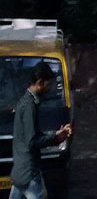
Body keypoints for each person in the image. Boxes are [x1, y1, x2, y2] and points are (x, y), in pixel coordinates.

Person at [10, 62, 72, 199]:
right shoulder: (29, 106)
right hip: (29, 172)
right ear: (40, 83)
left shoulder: (24, 101)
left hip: (21, 170)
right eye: (48, 85)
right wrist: (55, 139)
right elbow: (32, 141)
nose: (49, 89)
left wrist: (55, 134)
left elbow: (30, 135)